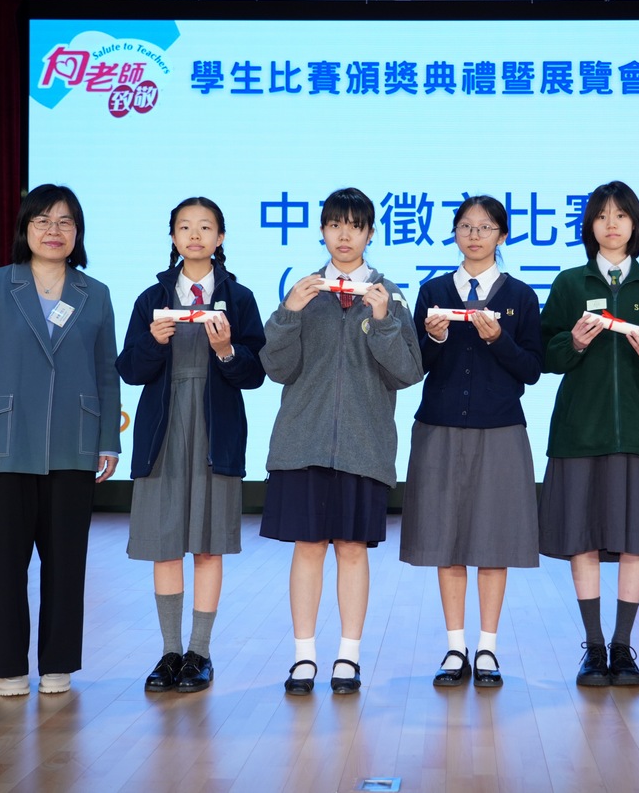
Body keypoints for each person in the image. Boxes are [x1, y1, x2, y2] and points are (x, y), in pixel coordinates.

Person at [0, 184, 121, 698]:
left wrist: (108, 441)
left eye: (65, 222)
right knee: (5, 568)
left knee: (67, 566)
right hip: (4, 445)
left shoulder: (95, 293)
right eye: (43, 221)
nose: (54, 231)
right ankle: (9, 667)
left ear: (78, 233)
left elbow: (106, 373)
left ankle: (58, 664)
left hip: (74, 445)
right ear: (25, 229)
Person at [259, 187, 423, 696]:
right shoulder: (305, 291)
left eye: (354, 225)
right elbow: (275, 367)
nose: (344, 235)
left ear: (370, 233)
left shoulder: (390, 294)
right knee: (307, 547)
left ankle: (348, 658)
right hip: (302, 442)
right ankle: (304, 658)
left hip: (363, 445)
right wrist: (288, 313)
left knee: (352, 549)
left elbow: (407, 372)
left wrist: (382, 323)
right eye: (334, 225)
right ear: (323, 232)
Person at [116, 197, 266, 694]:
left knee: (207, 543)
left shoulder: (239, 298)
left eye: (205, 227)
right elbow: (129, 369)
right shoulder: (152, 298)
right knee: (164, 545)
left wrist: (226, 350)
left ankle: (200, 653)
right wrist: (153, 342)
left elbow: (255, 374)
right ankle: (169, 652)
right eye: (185, 227)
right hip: (162, 432)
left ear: (220, 238)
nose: (195, 235)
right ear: (173, 236)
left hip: (214, 430)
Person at [539, 180, 639, 688]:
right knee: (583, 539)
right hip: (580, 430)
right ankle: (593, 647)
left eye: (621, 215)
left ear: (635, 224)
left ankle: (623, 647)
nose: (612, 224)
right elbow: (546, 354)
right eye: (602, 216)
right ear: (590, 226)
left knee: (635, 542)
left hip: (638, 432)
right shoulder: (569, 283)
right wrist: (573, 344)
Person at [400, 196, 543, 688]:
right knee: (447, 541)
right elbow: (415, 366)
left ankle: (487, 648)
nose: (475, 235)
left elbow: (532, 370)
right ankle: (454, 646)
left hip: (500, 429)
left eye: (485, 227)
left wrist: (498, 338)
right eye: (465, 226)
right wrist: (436, 339)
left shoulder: (521, 295)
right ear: (455, 233)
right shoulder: (433, 291)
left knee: (493, 540)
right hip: (439, 427)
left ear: (502, 235)